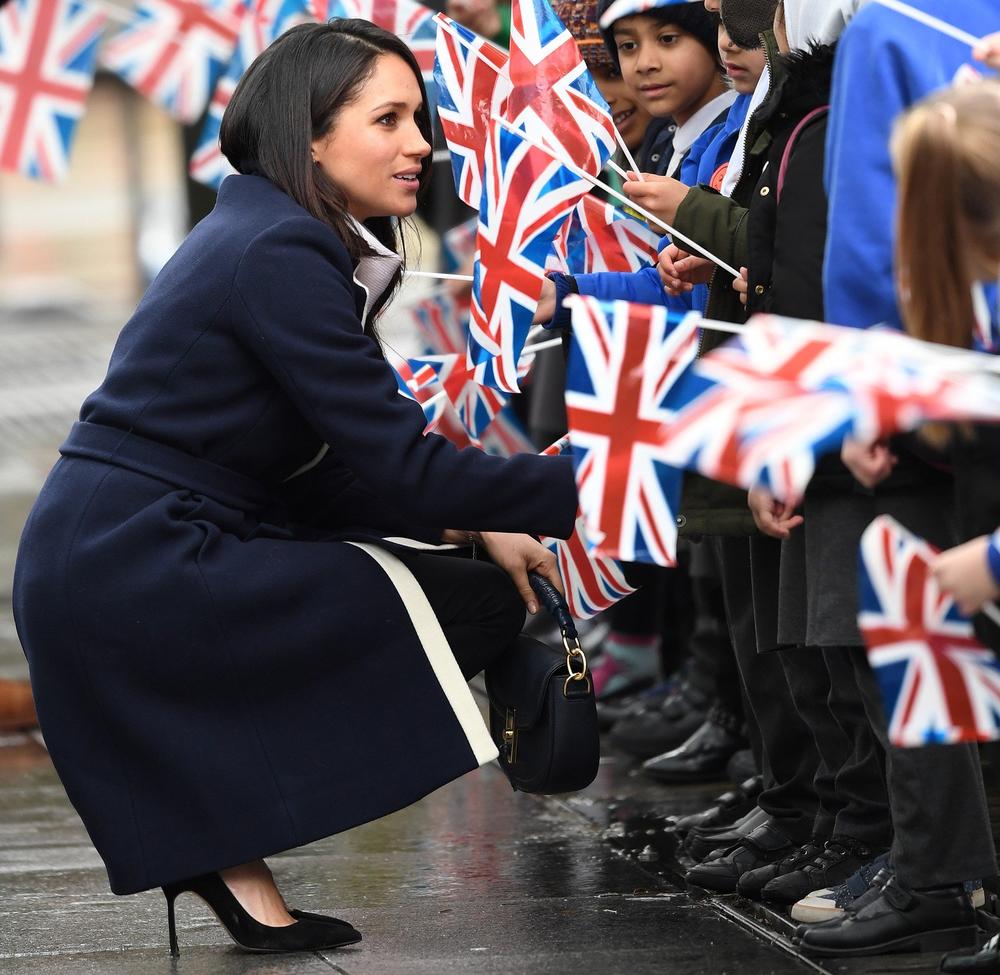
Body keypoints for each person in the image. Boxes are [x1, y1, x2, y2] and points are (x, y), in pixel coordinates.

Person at [12, 19, 578, 957]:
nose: (421, 143)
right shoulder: (278, 247)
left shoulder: (272, 229)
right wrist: (595, 491)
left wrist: (479, 520)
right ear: (310, 135)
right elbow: (397, 464)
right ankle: (215, 826)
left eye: (420, 118)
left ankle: (219, 842)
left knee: (463, 587)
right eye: (389, 118)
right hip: (138, 562)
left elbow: (339, 469)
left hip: (128, 549)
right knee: (465, 611)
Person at [795, 0, 1000, 958]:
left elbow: (872, 244)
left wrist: (867, 400)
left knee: (918, 642)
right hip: (949, 392)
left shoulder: (888, 27)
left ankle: (936, 869)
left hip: (932, 392)